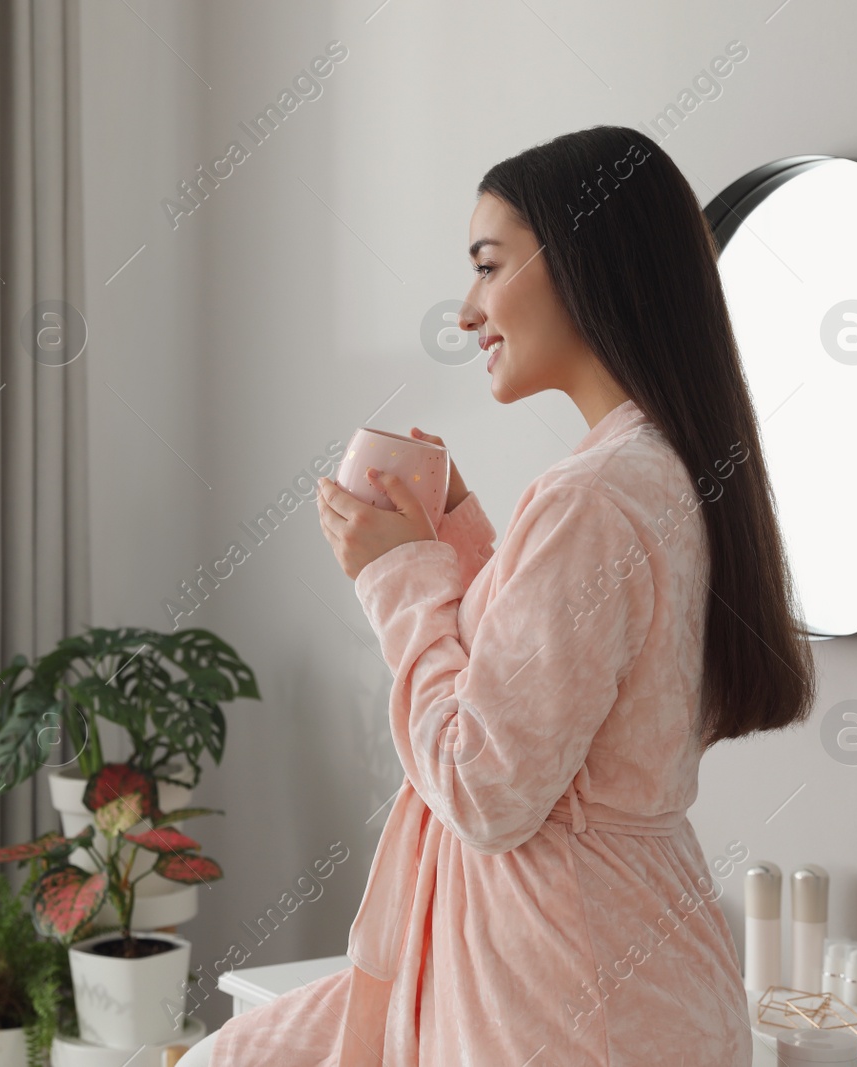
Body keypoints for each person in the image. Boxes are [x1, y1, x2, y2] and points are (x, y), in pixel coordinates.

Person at [180, 125, 817, 1067]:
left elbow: (484, 782)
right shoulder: (659, 470)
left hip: (562, 992)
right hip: (630, 974)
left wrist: (394, 577)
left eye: (488, 265)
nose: (470, 308)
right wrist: (463, 534)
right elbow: (556, 684)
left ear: (587, 262)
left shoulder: (594, 495)